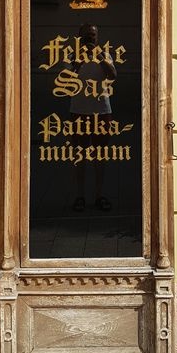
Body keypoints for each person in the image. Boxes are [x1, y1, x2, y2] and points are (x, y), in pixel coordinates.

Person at [70, 23, 116, 213]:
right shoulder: (71, 56)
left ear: (97, 38)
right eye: (87, 36)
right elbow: (67, 82)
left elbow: (113, 76)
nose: (90, 39)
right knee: (79, 156)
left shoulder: (104, 55)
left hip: (101, 112)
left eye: (93, 36)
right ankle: (80, 195)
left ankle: (99, 195)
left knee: (100, 155)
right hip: (79, 111)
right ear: (79, 38)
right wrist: (80, 61)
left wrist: (99, 58)